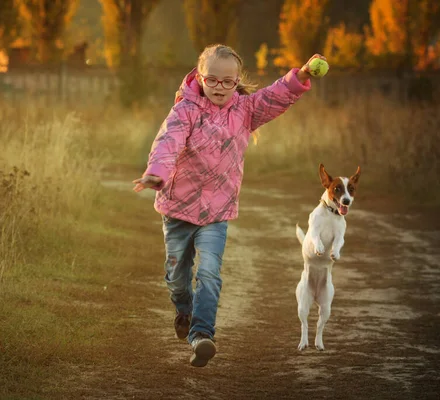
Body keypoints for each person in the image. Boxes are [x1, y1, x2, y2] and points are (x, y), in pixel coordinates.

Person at [132, 44, 326, 367]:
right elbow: (168, 143)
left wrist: (302, 74)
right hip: (178, 210)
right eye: (213, 80)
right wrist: (156, 174)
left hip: (216, 213)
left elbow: (275, 96)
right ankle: (184, 309)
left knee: (209, 272)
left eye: (228, 82)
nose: (220, 88)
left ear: (237, 82)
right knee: (176, 277)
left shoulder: (246, 110)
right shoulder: (185, 110)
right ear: (200, 77)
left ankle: (201, 335)